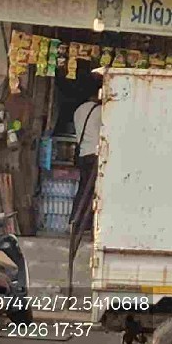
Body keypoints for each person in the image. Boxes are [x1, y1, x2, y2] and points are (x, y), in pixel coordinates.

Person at [70, 78, 102, 230]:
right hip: (95, 154)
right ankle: (87, 224)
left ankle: (75, 221)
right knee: (94, 191)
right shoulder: (100, 110)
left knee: (83, 189)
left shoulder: (78, 111)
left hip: (82, 154)